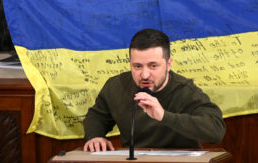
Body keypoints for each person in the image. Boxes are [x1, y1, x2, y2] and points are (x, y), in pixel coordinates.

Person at [83, 28, 226, 152]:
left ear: (168, 64)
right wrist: (95, 137)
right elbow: (97, 116)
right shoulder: (116, 86)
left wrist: (164, 116)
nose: (144, 75)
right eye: (137, 66)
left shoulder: (186, 91)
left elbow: (215, 131)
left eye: (153, 66)